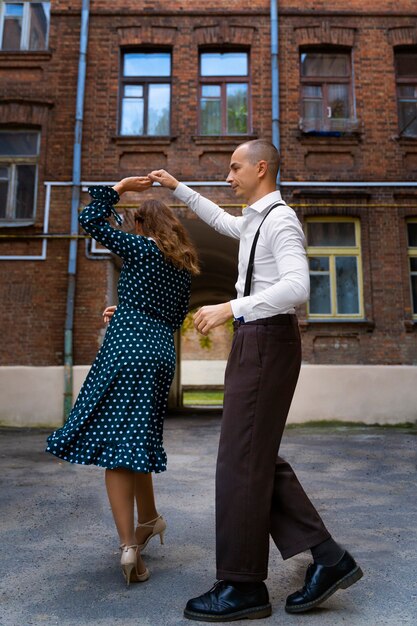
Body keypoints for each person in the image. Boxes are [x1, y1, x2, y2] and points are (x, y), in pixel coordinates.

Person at [148, 139, 363, 621]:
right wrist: (177, 186)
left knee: (240, 460)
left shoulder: (281, 218)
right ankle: (329, 559)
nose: (228, 176)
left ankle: (244, 586)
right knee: (252, 457)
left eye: (234, 167)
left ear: (260, 168)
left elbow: (297, 287)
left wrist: (230, 307)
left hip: (267, 340)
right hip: (257, 342)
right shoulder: (255, 220)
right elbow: (224, 221)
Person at [46, 176, 200, 585]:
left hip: (128, 351)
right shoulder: (182, 265)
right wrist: (126, 309)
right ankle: (150, 519)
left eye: (134, 225)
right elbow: (166, 315)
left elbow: (92, 220)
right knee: (137, 437)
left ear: (145, 227)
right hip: (158, 352)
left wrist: (120, 188)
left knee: (119, 444)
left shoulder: (143, 247)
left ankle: (128, 546)